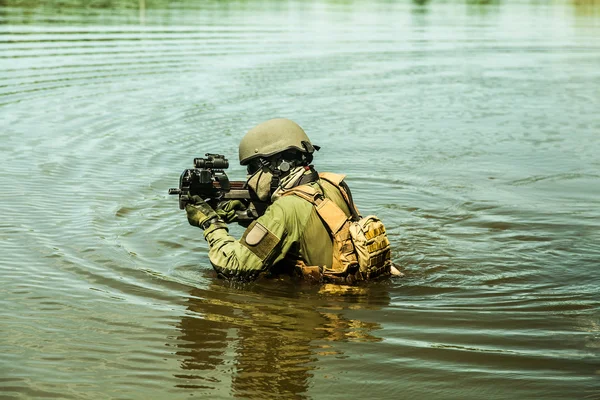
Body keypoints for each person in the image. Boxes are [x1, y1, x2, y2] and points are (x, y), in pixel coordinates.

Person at [184, 118, 401, 283]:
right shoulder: (333, 184)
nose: (249, 178)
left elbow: (234, 266)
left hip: (323, 306)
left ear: (279, 165)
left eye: (252, 168)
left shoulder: (286, 209)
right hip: (350, 302)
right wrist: (241, 211)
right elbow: (306, 228)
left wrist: (210, 223)